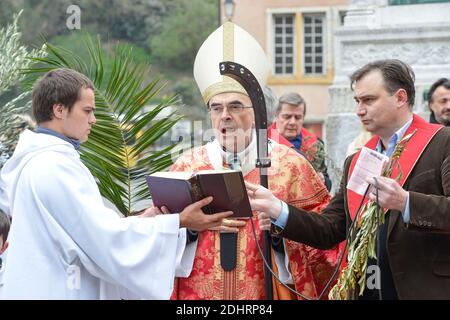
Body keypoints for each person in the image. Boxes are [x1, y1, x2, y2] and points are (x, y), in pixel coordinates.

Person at [0, 68, 232, 299]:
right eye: (87, 110)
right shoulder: (53, 166)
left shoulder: (36, 159)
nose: (93, 119)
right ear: (59, 109)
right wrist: (178, 222)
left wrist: (143, 221)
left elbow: (88, 229)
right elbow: (103, 240)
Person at [246, 59, 450, 300]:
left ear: (400, 98)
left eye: (369, 100)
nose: (359, 110)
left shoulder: (442, 142)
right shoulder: (356, 160)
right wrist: (277, 209)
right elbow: (330, 229)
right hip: (368, 291)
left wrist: (405, 202)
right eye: (357, 101)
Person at [169, 22, 337, 300]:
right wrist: (187, 229)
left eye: (236, 106)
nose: (225, 115)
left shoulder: (290, 167)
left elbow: (326, 247)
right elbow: (157, 239)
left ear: (259, 113)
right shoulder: (186, 167)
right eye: (216, 107)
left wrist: (279, 235)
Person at [268, 92, 332, 190]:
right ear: (276, 116)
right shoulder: (263, 140)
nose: (293, 122)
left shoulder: (315, 143)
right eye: (287, 117)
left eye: (298, 117)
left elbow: (327, 183)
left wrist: (322, 179)